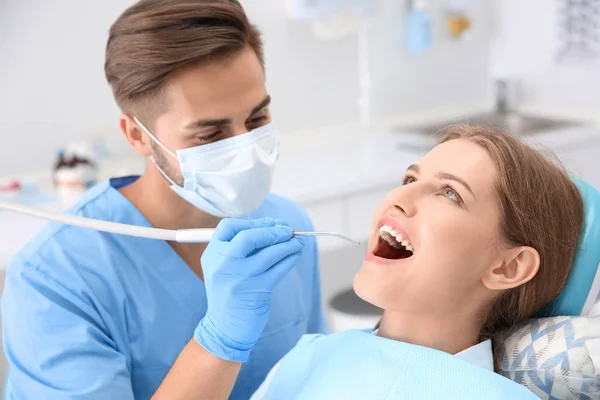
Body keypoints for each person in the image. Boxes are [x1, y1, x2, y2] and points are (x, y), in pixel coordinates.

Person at [1, 1, 327, 399]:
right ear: (137, 136)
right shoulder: (56, 281)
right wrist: (218, 344)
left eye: (257, 120)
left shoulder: (288, 227)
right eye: (211, 135)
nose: (247, 149)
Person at [167, 124, 583, 399]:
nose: (397, 199)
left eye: (450, 193)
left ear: (507, 267)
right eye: (409, 180)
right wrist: (217, 342)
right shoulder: (315, 354)